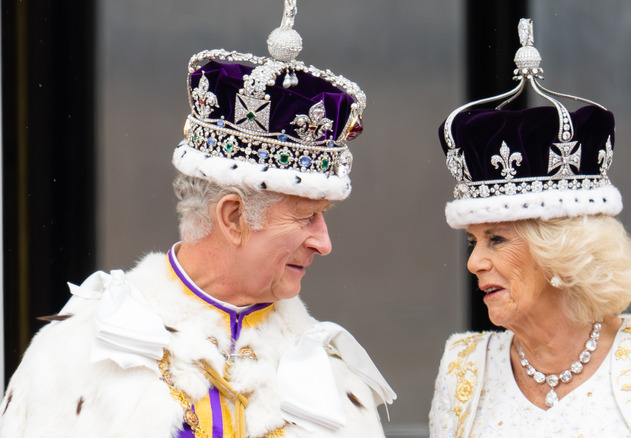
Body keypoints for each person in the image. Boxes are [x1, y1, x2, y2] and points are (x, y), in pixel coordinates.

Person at [0, 1, 395, 437]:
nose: (324, 242)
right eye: (305, 218)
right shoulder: (79, 351)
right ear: (233, 217)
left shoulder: (332, 375)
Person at [428, 18, 631, 437]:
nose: (474, 262)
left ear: (561, 250)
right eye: (474, 241)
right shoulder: (463, 366)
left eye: (497, 239)